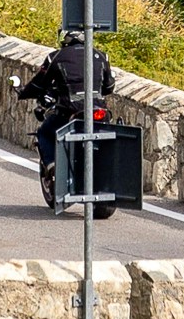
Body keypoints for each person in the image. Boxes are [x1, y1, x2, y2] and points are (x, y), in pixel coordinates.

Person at [18, 35, 115, 211]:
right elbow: (109, 87)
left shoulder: (56, 56)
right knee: (112, 132)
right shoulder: (101, 55)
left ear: (66, 38)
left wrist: (24, 92)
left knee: (45, 133)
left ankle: (52, 164)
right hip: (98, 112)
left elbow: (40, 83)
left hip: (71, 111)